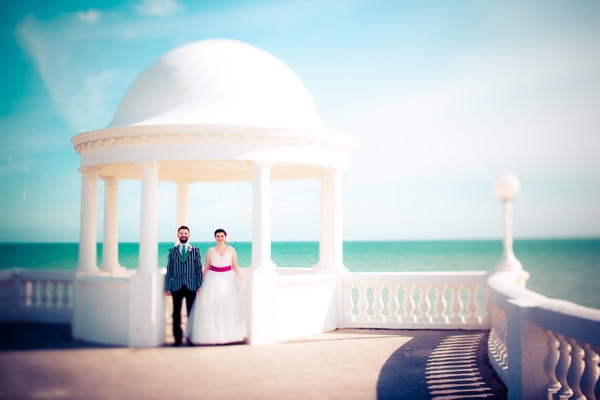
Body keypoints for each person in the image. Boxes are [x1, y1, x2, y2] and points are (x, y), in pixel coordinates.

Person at [186, 228, 246, 344]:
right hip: (212, 279)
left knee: (227, 306)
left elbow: (235, 267)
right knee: (212, 306)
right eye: (217, 236)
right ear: (215, 238)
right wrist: (200, 283)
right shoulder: (210, 250)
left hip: (228, 278)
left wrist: (239, 281)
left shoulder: (232, 250)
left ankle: (230, 335)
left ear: (226, 237)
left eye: (222, 236)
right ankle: (212, 335)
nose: (220, 238)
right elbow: (207, 267)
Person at [165, 225, 203, 346]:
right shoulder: (172, 251)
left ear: (189, 235)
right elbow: (169, 270)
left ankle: (191, 337)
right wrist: (167, 287)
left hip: (191, 286)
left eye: (185, 233)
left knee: (191, 313)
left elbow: (198, 269)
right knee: (176, 313)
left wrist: (199, 285)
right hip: (176, 286)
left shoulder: (195, 250)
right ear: (178, 235)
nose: (183, 235)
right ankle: (177, 338)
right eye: (181, 233)